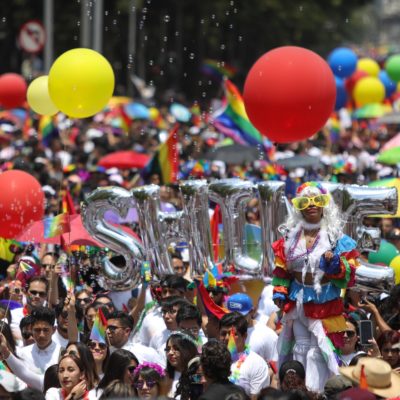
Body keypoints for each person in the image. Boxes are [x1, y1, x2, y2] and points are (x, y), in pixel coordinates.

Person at [272, 181, 359, 392]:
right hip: (298, 299)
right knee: (300, 348)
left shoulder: (336, 238)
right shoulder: (289, 238)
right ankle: (298, 394)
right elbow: (282, 270)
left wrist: (335, 263)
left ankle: (319, 392)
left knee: (319, 351)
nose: (311, 205)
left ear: (324, 205)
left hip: (325, 302)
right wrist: (280, 292)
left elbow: (350, 274)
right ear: (298, 206)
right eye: (305, 201)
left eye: (317, 200)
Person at [0, 307, 62, 390]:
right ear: (31, 330)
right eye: (37, 330)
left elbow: (41, 383)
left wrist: (6, 352)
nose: (41, 335)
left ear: (54, 330)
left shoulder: (61, 353)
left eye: (46, 330)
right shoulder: (21, 353)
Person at [219, 312, 270, 399]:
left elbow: (256, 398)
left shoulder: (256, 363)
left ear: (244, 336)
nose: (227, 338)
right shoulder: (213, 360)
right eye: (223, 334)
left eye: (233, 334)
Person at [226, 293, 278, 364]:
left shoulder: (267, 334)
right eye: (232, 315)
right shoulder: (224, 334)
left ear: (251, 311)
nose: (235, 320)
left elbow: (275, 365)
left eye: (240, 316)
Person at [165, 332, 198, 398]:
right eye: (168, 349)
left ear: (188, 350)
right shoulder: (164, 376)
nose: (170, 353)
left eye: (176, 349)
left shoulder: (197, 376)